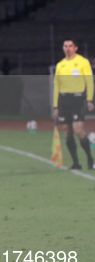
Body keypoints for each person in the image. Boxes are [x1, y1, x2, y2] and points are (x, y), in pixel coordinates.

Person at [52, 38, 94, 170]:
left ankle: (90, 159)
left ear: (76, 48)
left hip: (78, 99)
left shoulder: (82, 62)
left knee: (78, 129)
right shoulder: (60, 65)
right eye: (65, 46)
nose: (67, 48)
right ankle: (76, 163)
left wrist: (89, 99)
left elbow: (90, 81)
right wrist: (55, 106)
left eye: (70, 46)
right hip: (64, 100)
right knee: (67, 132)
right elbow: (56, 86)